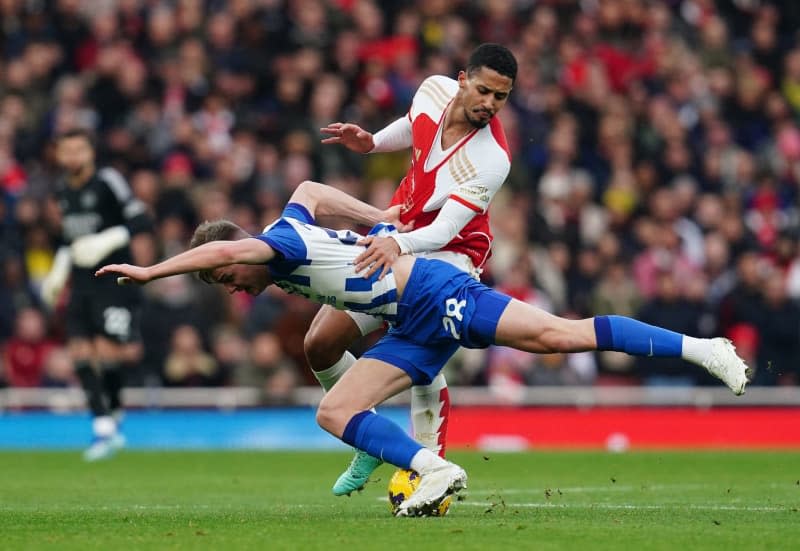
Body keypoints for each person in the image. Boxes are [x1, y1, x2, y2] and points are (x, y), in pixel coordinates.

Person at [97, 181, 750, 516]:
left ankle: (703, 347)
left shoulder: (279, 248)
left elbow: (227, 248)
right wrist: (376, 218)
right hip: (405, 324)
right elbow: (311, 193)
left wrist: (154, 272)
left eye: (226, 280)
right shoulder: (290, 227)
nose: (235, 288)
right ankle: (429, 466)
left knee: (558, 334)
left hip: (434, 294)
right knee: (330, 390)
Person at [308, 42, 517, 495]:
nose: (489, 104)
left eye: (500, 97)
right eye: (483, 91)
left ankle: (429, 467)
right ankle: (365, 432)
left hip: (448, 252)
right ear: (462, 79)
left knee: (419, 345)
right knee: (320, 343)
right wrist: (372, 142)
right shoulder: (433, 91)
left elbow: (443, 231)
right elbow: (413, 125)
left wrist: (394, 241)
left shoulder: (492, 158)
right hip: (400, 233)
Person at [41, 129, 153, 461]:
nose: (72, 157)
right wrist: (58, 269)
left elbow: (141, 220)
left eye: (79, 150)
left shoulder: (108, 181)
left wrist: (110, 239)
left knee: (108, 355)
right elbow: (68, 239)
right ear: (59, 155)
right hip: (81, 284)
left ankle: (115, 413)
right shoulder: (61, 190)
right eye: (66, 151)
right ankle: (103, 427)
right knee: (79, 353)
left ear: (90, 152)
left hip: (112, 280)